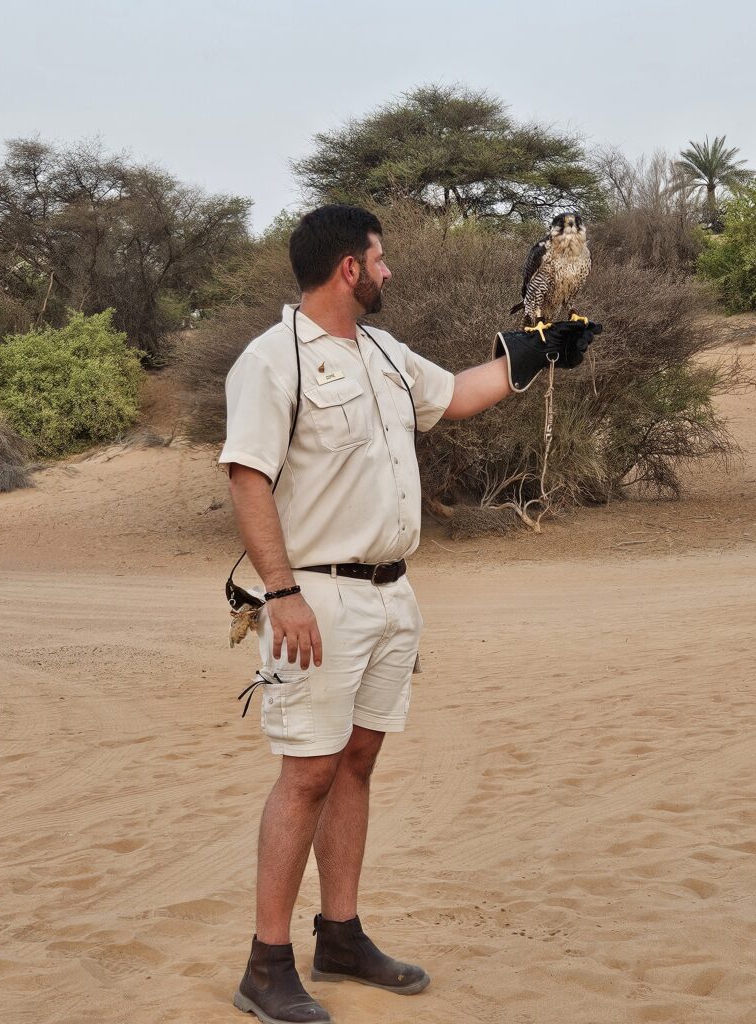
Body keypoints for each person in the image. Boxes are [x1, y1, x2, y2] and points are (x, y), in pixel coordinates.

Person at [220, 204, 595, 1024]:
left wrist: (536, 352)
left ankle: (342, 936)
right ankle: (266, 963)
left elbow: (457, 395)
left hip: (394, 594)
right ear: (348, 268)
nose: (389, 272)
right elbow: (248, 477)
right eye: (380, 259)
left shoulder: (384, 352)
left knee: (355, 762)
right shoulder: (273, 359)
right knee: (307, 771)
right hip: (312, 595)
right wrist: (281, 595)